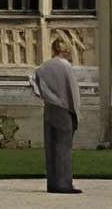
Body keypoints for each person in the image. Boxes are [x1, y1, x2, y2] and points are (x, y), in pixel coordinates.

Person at [31, 46, 84, 193]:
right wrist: (75, 112)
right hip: (64, 108)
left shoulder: (45, 67)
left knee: (51, 145)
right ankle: (63, 184)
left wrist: (48, 97)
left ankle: (53, 183)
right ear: (65, 52)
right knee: (63, 147)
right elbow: (73, 92)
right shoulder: (66, 67)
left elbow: (35, 84)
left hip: (50, 107)